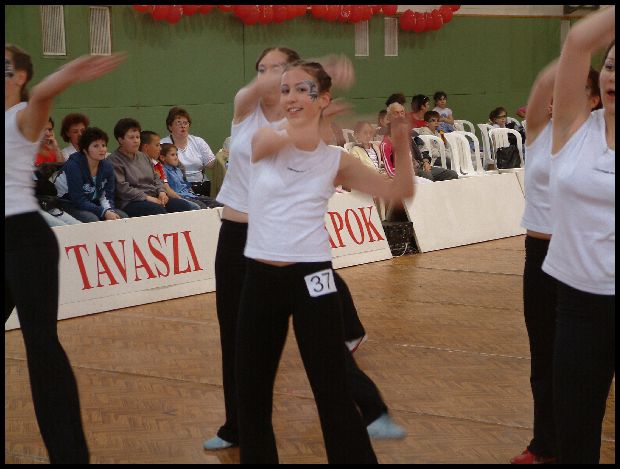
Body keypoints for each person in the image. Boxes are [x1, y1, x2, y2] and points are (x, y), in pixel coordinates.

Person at [205, 47, 404, 453]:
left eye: (280, 71)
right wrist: (313, 83)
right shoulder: (249, 112)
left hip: (298, 252)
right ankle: (236, 426)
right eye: (264, 70)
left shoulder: (309, 128)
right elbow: (273, 119)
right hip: (242, 241)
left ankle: (367, 405)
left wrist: (318, 103)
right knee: (240, 348)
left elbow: (327, 159)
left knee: (326, 362)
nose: (270, 77)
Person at [5, 43, 125, 463]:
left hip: (24, 239)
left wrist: (71, 72)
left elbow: (42, 94)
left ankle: (70, 455)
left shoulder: (23, 115)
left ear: (19, 75)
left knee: (41, 348)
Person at [511, 60, 603, 465]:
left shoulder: (598, 137)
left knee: (578, 364)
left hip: (580, 256)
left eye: (572, 90)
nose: (557, 98)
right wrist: (572, 56)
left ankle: (573, 445)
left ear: (594, 100)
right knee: (543, 354)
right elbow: (541, 81)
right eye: (557, 91)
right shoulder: (538, 131)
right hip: (539, 257)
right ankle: (544, 443)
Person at [542, 7, 614, 463]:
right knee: (574, 432)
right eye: (611, 66)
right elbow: (576, 42)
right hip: (578, 306)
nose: (613, 77)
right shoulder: (572, 126)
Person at [107, 118, 200, 216]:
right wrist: (148, 198)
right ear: (121, 140)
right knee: (157, 211)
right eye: (131, 138)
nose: (136, 141)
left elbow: (156, 178)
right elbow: (122, 189)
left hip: (154, 196)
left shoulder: (143, 156)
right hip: (131, 202)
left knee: (184, 206)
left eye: (137, 137)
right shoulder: (114, 160)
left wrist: (161, 192)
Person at [55, 127, 129, 222]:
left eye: (103, 145)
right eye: (96, 146)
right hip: (66, 203)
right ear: (85, 150)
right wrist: (103, 212)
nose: (101, 149)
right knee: (92, 219)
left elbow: (107, 195)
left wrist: (109, 211)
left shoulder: (107, 167)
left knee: (122, 216)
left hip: (91, 202)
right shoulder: (73, 166)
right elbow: (78, 200)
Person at [160, 106, 216, 196]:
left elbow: (211, 164)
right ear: (170, 127)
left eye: (185, 123)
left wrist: (223, 157)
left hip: (202, 185)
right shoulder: (162, 144)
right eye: (178, 123)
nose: (183, 126)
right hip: (178, 187)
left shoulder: (198, 141)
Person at [139, 130, 202, 210]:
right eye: (157, 145)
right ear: (146, 147)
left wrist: (163, 193)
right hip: (146, 198)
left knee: (199, 205)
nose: (160, 148)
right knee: (193, 207)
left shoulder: (158, 165)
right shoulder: (137, 164)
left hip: (161, 197)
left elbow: (165, 186)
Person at [160, 143, 223, 208]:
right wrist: (180, 199)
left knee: (218, 203)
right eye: (172, 155)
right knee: (202, 207)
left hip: (191, 195)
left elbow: (186, 185)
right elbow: (167, 189)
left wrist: (193, 194)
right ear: (162, 158)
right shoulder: (163, 171)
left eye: (176, 154)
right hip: (180, 197)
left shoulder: (178, 170)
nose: (176, 157)